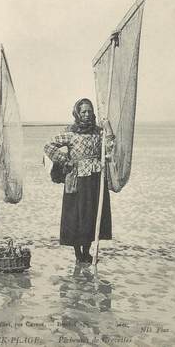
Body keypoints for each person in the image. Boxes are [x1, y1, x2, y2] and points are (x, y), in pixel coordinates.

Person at [44, 98, 114, 264]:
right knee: (77, 215)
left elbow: (110, 147)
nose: (87, 114)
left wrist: (108, 128)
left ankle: (87, 251)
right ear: (77, 113)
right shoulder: (70, 133)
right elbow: (48, 146)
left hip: (95, 177)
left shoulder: (98, 132)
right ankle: (77, 253)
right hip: (77, 179)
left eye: (89, 111)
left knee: (91, 214)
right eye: (83, 111)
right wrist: (64, 160)